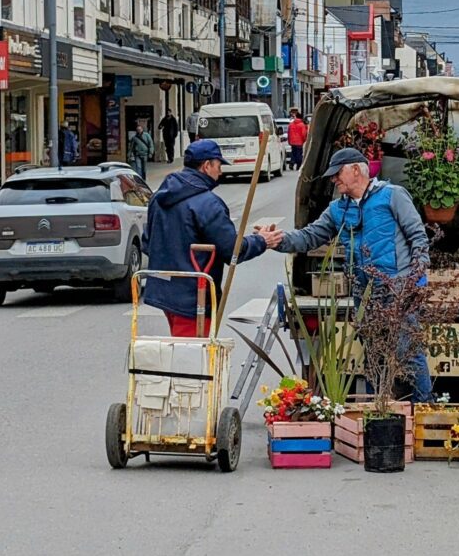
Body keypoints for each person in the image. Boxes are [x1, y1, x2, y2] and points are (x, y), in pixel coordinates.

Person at [258, 147, 433, 402]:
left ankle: (424, 408)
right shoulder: (337, 209)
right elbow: (309, 236)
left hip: (398, 289)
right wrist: (278, 240)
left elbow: (418, 236)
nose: (333, 179)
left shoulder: (392, 196)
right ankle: (379, 409)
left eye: (337, 173)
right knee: (374, 354)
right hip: (364, 293)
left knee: (408, 350)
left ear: (356, 169)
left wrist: (417, 278)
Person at [142, 140, 270, 337]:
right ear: (206, 165)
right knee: (192, 357)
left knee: (182, 349)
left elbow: (147, 242)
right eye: (218, 166)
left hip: (165, 292)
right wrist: (262, 241)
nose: (220, 172)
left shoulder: (159, 197)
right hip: (194, 298)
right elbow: (232, 250)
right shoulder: (208, 204)